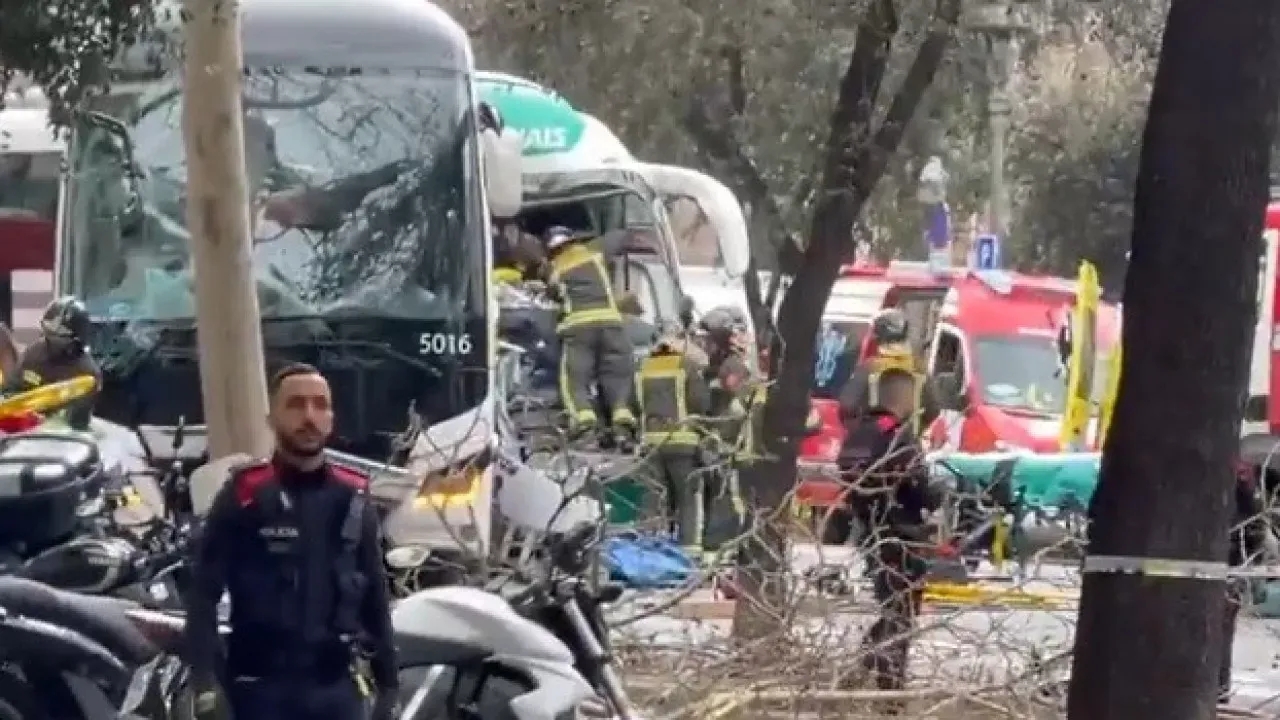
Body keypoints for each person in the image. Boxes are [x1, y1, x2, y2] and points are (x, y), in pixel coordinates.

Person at [185, 363, 398, 720]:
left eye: (320, 405)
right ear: (272, 418)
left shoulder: (352, 497)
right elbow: (203, 595)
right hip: (259, 692)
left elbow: (375, 597)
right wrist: (205, 684)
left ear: (331, 418)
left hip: (336, 692)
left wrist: (389, 685)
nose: (309, 416)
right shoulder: (244, 495)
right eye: (296, 404)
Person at [840, 372, 935, 701]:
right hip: (902, 534)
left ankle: (863, 667)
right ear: (905, 399)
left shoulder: (858, 433)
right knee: (902, 614)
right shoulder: (898, 436)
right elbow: (920, 490)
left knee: (891, 608)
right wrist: (935, 497)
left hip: (871, 532)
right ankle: (889, 692)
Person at [539, 225, 637, 440]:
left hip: (579, 330)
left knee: (575, 379)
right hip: (612, 325)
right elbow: (619, 236)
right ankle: (622, 423)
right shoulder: (595, 252)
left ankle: (585, 424)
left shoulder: (552, 270)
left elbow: (554, 296)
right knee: (617, 376)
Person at [635, 325, 712, 554]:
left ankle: (649, 548)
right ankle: (689, 551)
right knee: (688, 499)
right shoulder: (686, 365)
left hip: (651, 442)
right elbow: (701, 403)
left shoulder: (643, 367)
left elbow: (634, 403)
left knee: (654, 498)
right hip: (682, 441)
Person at [2, 296, 101, 431]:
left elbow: (77, 422)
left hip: (58, 436)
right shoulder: (34, 352)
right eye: (49, 329)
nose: (51, 338)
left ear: (77, 338)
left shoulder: (87, 373)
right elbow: (11, 390)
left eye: (60, 333)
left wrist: (44, 422)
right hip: (21, 429)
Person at [839, 308, 940, 436]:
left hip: (874, 442)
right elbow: (933, 410)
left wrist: (860, 428)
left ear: (878, 336)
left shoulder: (870, 367)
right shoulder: (920, 368)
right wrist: (914, 431)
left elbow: (847, 406)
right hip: (908, 442)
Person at [1222, 467, 1269, 702]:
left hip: (1231, 571)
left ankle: (1220, 690)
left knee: (1221, 633)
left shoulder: (1243, 494)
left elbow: (1256, 534)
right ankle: (1219, 690)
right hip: (1231, 569)